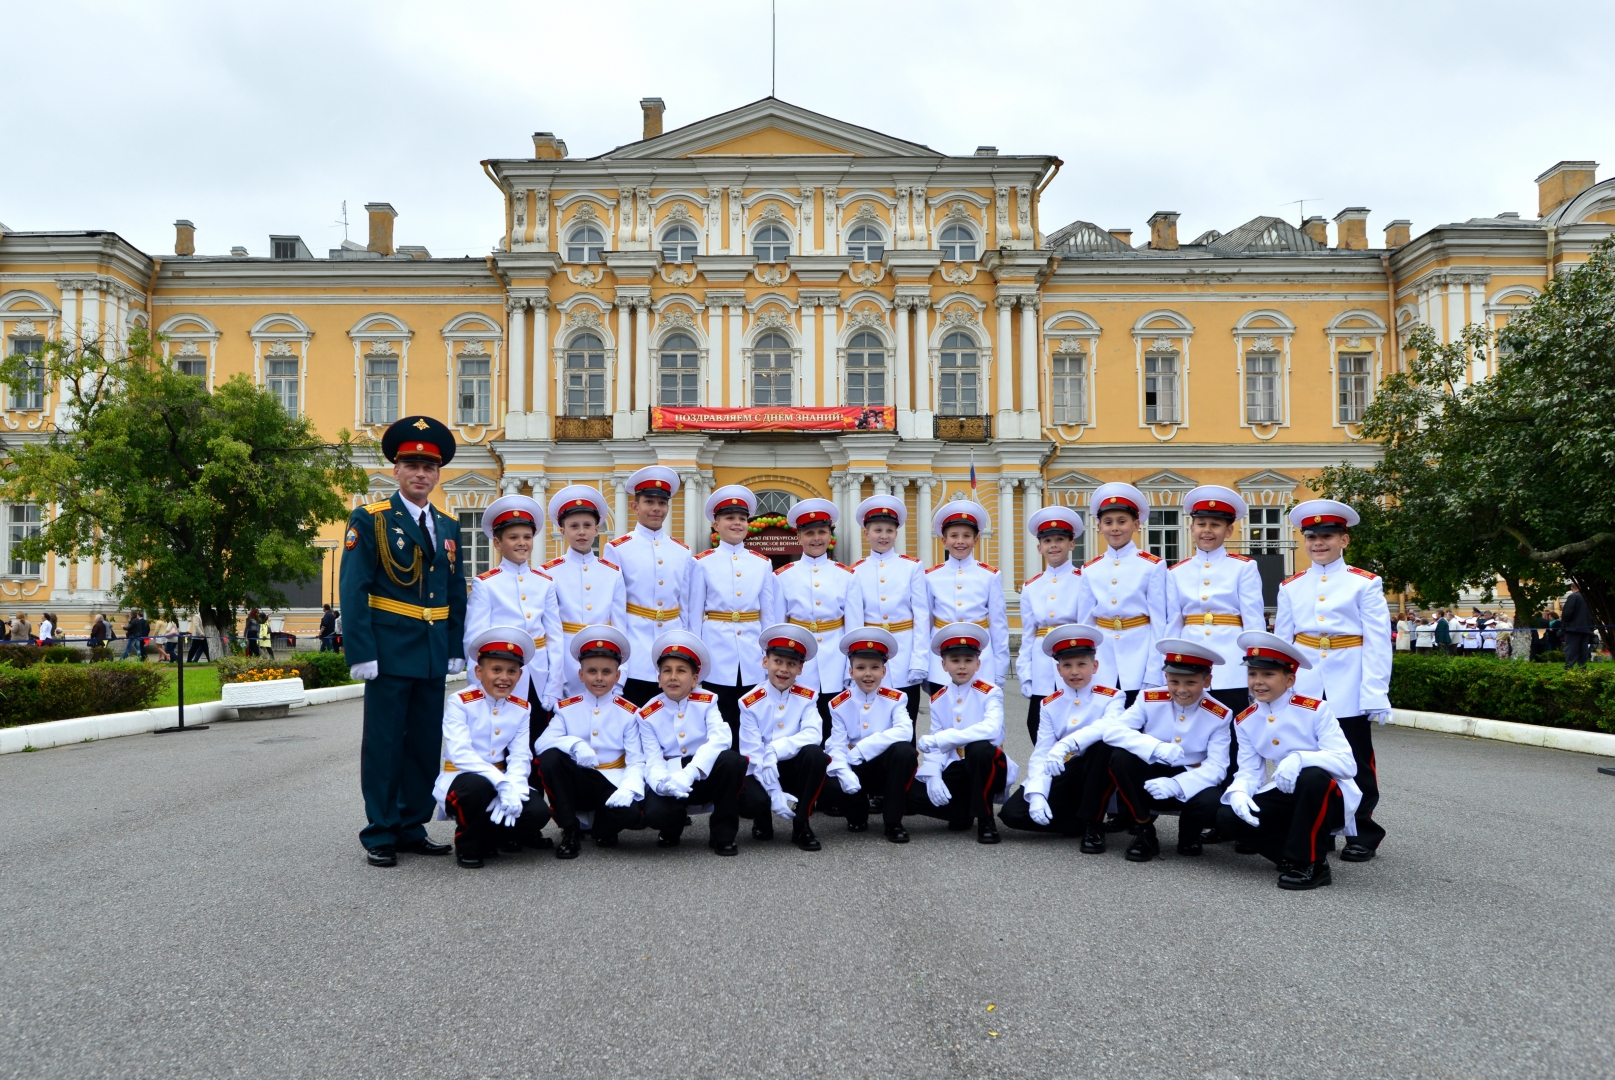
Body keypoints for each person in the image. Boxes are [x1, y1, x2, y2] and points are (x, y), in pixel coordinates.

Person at [340, 415, 467, 868]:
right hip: (390, 651)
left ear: (437, 475)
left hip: (432, 653)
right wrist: (361, 651)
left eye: (429, 468)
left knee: (422, 744)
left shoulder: (448, 527)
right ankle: (380, 829)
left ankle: (412, 825)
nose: (420, 474)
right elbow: (353, 588)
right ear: (395, 469)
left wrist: (455, 647)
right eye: (411, 464)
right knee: (385, 743)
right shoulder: (371, 519)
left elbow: (456, 591)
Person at [1273, 498, 1390, 862]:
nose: (1318, 543)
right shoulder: (1291, 585)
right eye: (1311, 536)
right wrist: (1279, 688)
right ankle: (1316, 827)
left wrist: (1375, 691)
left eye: (1327, 535)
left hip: (1349, 679)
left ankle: (1362, 831)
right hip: (1306, 681)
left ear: (1344, 540)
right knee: (1304, 755)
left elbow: (1376, 641)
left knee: (1355, 759)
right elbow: (1283, 642)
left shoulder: (1364, 584)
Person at [1217, 631, 1363, 891]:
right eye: (1252, 674)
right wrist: (1239, 791)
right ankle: (1292, 855)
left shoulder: (1316, 709)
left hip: (1328, 796)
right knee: (1228, 816)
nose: (1258, 682)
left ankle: (1310, 865)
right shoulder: (1245, 720)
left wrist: (1300, 758)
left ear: (1290, 679)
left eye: (1268, 675)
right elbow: (1249, 770)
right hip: (1285, 792)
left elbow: (1347, 764)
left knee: (1313, 777)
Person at [1102, 638, 1233, 862]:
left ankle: (1189, 836)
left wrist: (1177, 784)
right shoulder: (1148, 698)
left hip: (1190, 777)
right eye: (1174, 681)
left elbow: (1218, 766)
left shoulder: (1220, 714)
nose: (1181, 690)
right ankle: (1144, 831)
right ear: (1165, 678)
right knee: (1120, 758)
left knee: (1211, 796)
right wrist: (1156, 747)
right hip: (1151, 773)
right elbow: (1112, 732)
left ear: (1207, 680)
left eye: (1190, 682)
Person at [434, 626, 555, 868]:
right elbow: (460, 753)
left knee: (538, 812)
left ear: (520, 676)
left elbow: (521, 754)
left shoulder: (522, 708)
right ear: (479, 671)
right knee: (477, 788)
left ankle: (489, 838)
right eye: (496, 670)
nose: (504, 677)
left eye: (512, 671)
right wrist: (500, 782)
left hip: (502, 779)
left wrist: (514, 784)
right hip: (461, 779)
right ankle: (467, 843)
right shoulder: (460, 702)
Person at [999, 622, 1125, 848]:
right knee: (1012, 814)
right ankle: (1075, 821)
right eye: (1067, 665)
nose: (1074, 671)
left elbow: (1109, 725)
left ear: (1095, 666)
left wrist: (1067, 744)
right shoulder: (1049, 704)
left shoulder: (1113, 697)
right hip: (1064, 769)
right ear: (1058, 670)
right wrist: (1037, 794)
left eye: (1081, 664)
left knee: (1103, 747)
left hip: (1095, 771)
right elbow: (1043, 751)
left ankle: (1093, 825)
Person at [534, 625, 653, 859]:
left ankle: (603, 826)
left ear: (617, 676)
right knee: (550, 757)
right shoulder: (567, 708)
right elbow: (541, 743)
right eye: (592, 671)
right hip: (579, 781)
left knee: (632, 816)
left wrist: (628, 789)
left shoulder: (629, 712)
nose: (599, 678)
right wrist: (574, 744)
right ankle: (570, 830)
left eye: (607, 672)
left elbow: (636, 760)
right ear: (581, 674)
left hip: (611, 781)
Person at [463, 493, 564, 747]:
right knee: (501, 745)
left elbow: (555, 639)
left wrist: (553, 685)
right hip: (501, 678)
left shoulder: (545, 583)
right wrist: (478, 688)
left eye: (527, 537)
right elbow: (473, 641)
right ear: (497, 544)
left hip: (538, 679)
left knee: (536, 744)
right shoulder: (486, 584)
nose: (522, 543)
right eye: (513, 537)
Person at [635, 630, 747, 855]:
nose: (673, 677)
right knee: (657, 813)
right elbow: (652, 759)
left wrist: (692, 771)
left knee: (732, 760)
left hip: (702, 774)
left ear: (695, 679)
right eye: (666, 671)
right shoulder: (646, 714)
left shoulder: (707, 701)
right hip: (670, 776)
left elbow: (721, 737)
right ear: (659, 679)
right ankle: (671, 829)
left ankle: (722, 835)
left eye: (681, 671)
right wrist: (661, 784)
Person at [908, 622, 1018, 844]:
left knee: (979, 749)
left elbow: (991, 729)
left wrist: (942, 739)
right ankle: (962, 812)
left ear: (978, 663)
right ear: (944, 664)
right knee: (908, 792)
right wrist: (934, 775)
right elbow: (937, 746)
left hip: (987, 766)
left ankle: (986, 819)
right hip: (956, 767)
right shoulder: (938, 698)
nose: (962, 666)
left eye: (968, 660)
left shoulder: (990, 692)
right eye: (955, 660)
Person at [761, 498, 862, 736]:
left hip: (835, 658)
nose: (816, 538)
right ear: (799, 537)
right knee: (798, 721)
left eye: (821, 532)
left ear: (830, 536)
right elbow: (777, 624)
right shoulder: (783, 576)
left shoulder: (846, 576)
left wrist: (852, 663)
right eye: (809, 533)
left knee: (834, 722)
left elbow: (854, 625)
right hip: (799, 658)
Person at [684, 485, 771, 743]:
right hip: (716, 653)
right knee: (720, 722)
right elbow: (693, 615)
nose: (737, 523)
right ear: (716, 524)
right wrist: (694, 662)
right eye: (730, 518)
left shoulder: (762, 562)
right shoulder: (701, 562)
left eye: (742, 519)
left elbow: (768, 615)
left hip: (752, 653)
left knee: (754, 722)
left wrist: (769, 656)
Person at [737, 623, 829, 852]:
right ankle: (762, 819)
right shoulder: (749, 702)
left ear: (800, 668)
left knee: (816, 755)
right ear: (765, 662)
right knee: (752, 801)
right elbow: (752, 753)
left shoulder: (807, 697)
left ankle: (801, 824)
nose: (783, 669)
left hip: (791, 765)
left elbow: (813, 734)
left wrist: (776, 749)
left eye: (791, 664)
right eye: (777, 661)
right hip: (761, 769)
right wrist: (775, 792)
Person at [823, 627, 918, 843]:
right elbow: (836, 745)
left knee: (904, 751)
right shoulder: (838, 704)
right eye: (861, 667)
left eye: (875, 667)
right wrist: (844, 772)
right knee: (830, 778)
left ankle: (893, 822)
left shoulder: (897, 698)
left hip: (884, 768)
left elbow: (905, 730)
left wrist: (864, 748)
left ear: (884, 672)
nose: (868, 674)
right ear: (851, 672)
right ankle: (857, 812)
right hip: (855, 769)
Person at [609, 466, 694, 708]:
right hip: (635, 648)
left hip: (671, 647)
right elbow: (616, 608)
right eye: (649, 501)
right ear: (635, 506)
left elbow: (685, 606)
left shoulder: (682, 551)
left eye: (662, 503)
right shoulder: (618, 548)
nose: (656, 508)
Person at [1078, 482, 1167, 707]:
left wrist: (1154, 672)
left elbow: (1159, 623)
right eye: (1107, 522)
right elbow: (1086, 623)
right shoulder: (1090, 569)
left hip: (1139, 655)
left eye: (1122, 521)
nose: (1114, 528)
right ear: (1098, 526)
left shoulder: (1152, 566)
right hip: (1103, 657)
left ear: (1136, 524)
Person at [848, 495, 928, 727]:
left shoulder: (912, 567)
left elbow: (921, 616)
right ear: (866, 533)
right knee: (871, 722)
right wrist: (853, 664)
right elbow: (854, 620)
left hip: (905, 656)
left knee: (906, 722)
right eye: (877, 530)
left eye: (889, 530)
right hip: (870, 657)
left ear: (896, 533)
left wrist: (919, 660)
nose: (883, 536)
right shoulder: (855, 571)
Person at [541, 485, 626, 699]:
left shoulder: (612, 573)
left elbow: (620, 628)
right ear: (562, 531)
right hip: (566, 661)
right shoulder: (548, 573)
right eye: (574, 526)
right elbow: (550, 630)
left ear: (597, 530)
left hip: (604, 658)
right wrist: (555, 679)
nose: (581, 532)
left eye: (588, 525)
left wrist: (621, 676)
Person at [1015, 506, 1090, 745]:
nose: (1054, 545)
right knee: (1036, 723)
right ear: (1039, 548)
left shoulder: (1083, 580)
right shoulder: (1031, 586)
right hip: (1042, 664)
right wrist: (1025, 674)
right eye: (1047, 541)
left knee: (1074, 724)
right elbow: (1028, 634)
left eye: (1060, 539)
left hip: (1073, 657)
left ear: (1072, 544)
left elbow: (1089, 625)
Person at [920, 500, 1010, 691]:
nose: (960, 541)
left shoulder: (990, 575)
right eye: (953, 536)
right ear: (944, 541)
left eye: (967, 536)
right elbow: (925, 622)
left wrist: (1000, 667)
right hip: (941, 660)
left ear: (976, 540)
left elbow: (998, 625)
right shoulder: (930, 576)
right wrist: (925, 662)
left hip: (980, 657)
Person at [1561, 583, 1595, 668]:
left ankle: (1569, 666)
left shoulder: (1573, 597)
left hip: (1573, 627)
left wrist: (1565, 625)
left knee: (1571, 648)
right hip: (1586, 628)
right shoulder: (1589, 598)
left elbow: (1567, 613)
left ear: (1572, 588)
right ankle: (1582, 666)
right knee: (1583, 649)